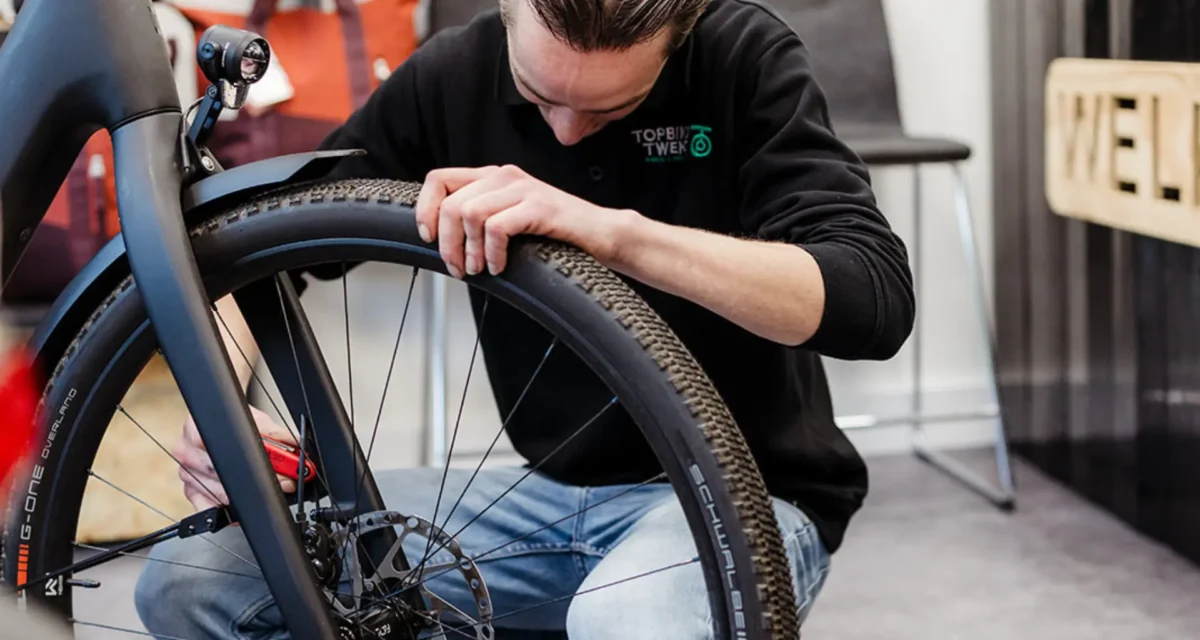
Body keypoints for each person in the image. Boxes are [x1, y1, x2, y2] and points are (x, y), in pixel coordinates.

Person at [134, 0, 915, 638]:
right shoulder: (452, 73)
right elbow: (270, 251)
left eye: (614, 106)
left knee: (626, 618)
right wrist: (222, 403)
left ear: (679, 41)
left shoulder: (744, 56)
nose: (567, 132)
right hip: (551, 498)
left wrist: (614, 232)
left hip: (748, 498)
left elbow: (870, 299)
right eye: (541, 99)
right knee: (193, 582)